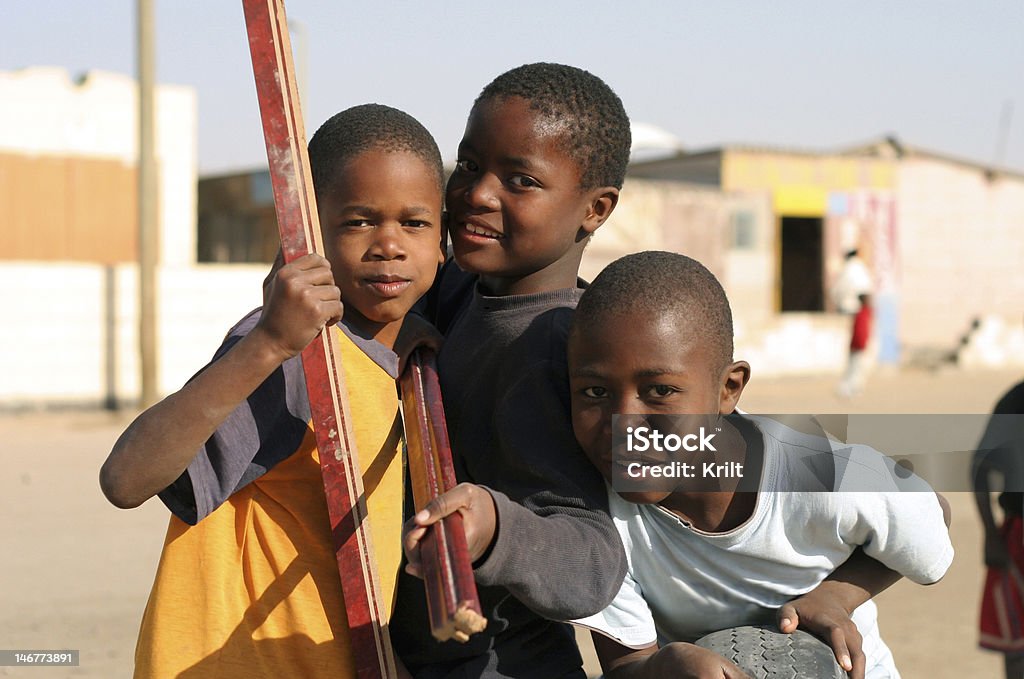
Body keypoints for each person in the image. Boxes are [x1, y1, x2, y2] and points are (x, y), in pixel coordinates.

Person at [99, 104, 447, 679]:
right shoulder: (293, 354)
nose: (389, 244)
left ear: (442, 241)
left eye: (414, 223)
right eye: (358, 221)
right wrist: (267, 343)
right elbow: (125, 479)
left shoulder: (399, 363)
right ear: (308, 233)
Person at [567, 251, 954, 679]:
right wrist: (662, 665)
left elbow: (934, 512)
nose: (625, 425)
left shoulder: (817, 476)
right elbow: (626, 665)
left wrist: (835, 596)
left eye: (660, 390)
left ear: (728, 389)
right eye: (594, 393)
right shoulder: (598, 519)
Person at [395, 63, 631, 678]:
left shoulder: (562, 347)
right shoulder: (463, 290)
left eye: (521, 180)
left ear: (595, 209)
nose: (477, 193)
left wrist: (496, 527)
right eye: (469, 165)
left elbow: (594, 560)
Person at [973, 379, 1024, 679]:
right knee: (1017, 644)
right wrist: (991, 536)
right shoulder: (1017, 401)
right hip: (1018, 540)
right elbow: (981, 467)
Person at [838, 292, 873, 398]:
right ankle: (846, 390)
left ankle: (855, 389)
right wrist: (860, 344)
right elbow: (859, 332)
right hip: (857, 346)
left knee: (858, 369)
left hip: (859, 346)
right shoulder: (861, 314)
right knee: (853, 369)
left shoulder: (865, 313)